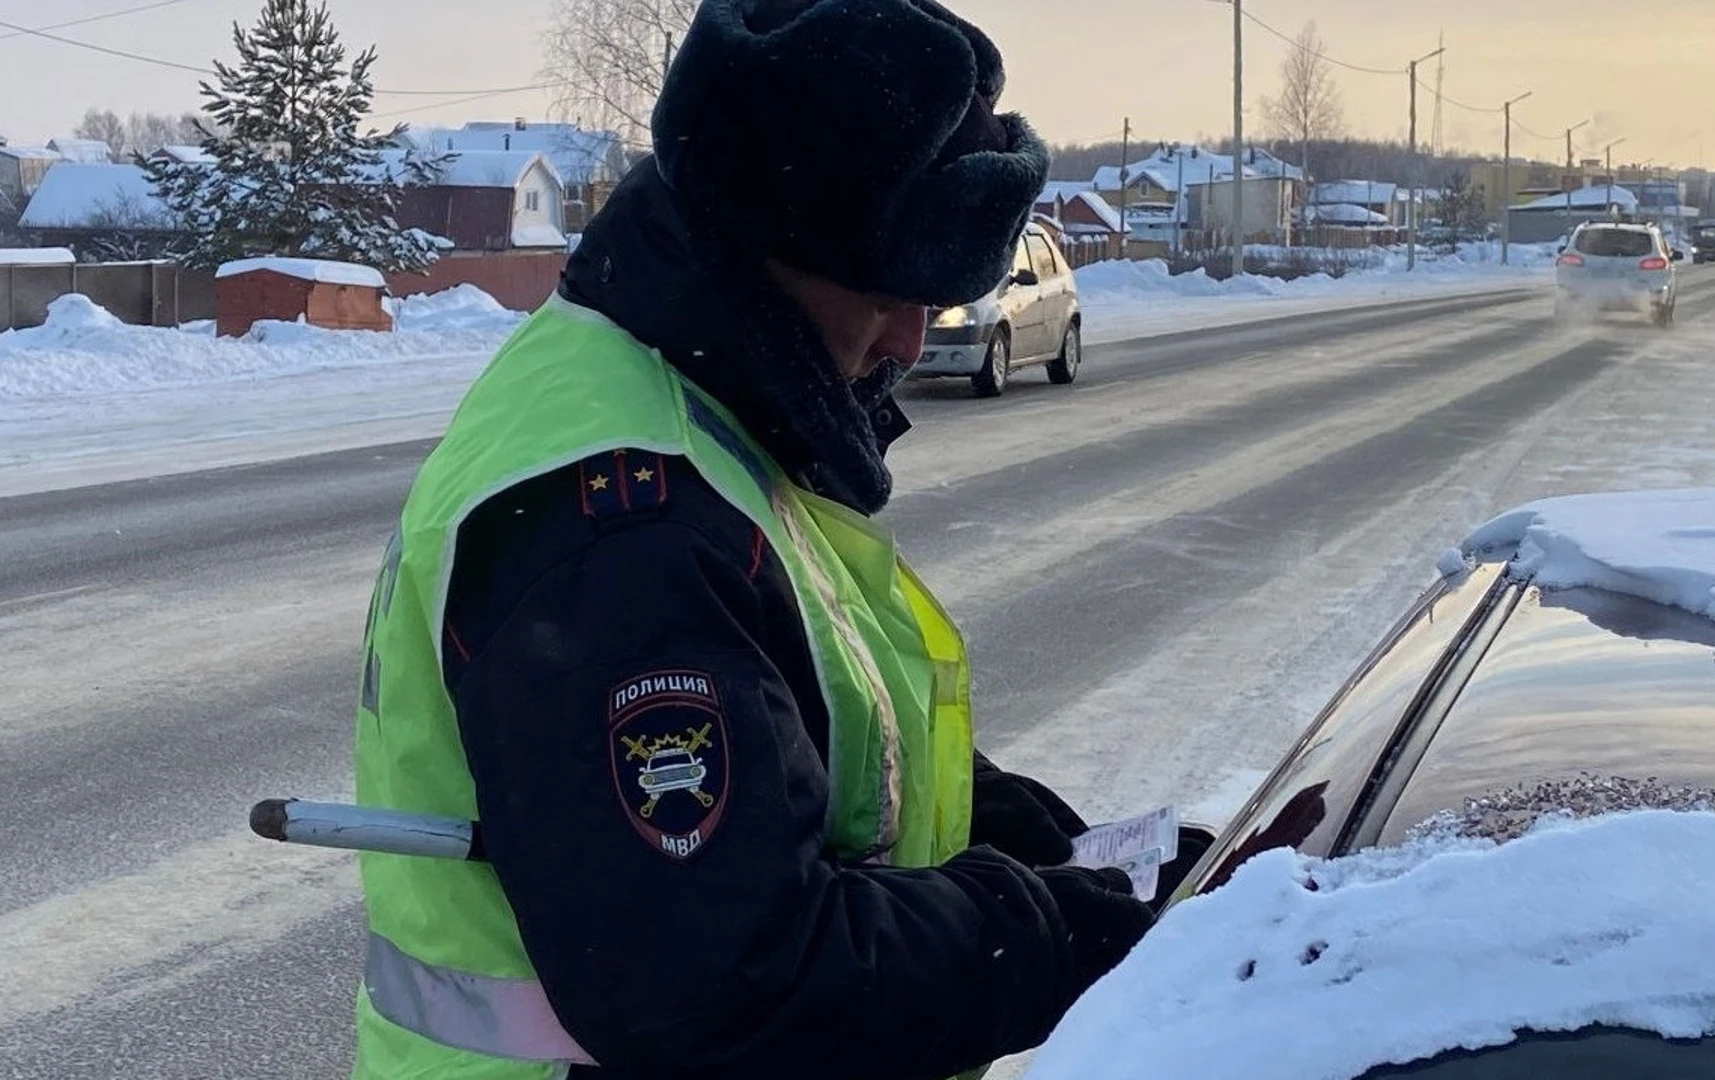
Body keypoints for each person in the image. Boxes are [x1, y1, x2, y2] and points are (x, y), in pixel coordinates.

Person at [348, 1, 1188, 1077]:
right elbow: (730, 986)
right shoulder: (625, 534)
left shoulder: (677, 399)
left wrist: (1059, 849)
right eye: (890, 294)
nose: (910, 337)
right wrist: (1054, 933)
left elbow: (807, 737)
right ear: (763, 252)